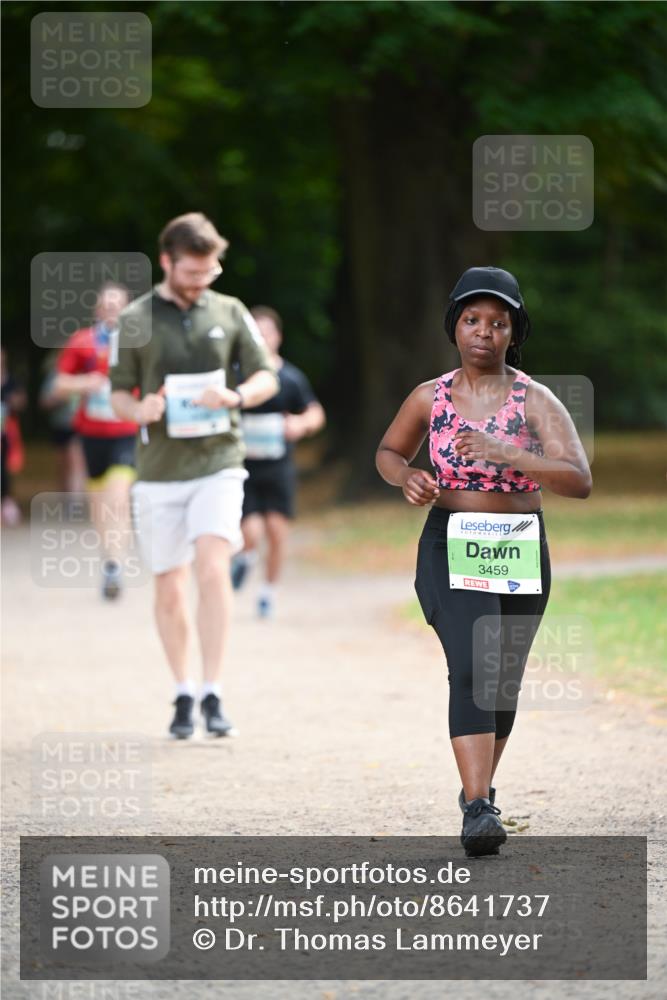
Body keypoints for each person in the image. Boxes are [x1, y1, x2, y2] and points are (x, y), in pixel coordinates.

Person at [376, 266, 591, 857]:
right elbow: (390, 451)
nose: (484, 332)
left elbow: (578, 480)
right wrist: (408, 478)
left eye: (498, 323)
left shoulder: (535, 400)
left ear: (514, 333)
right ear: (455, 327)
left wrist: (506, 450)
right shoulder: (430, 396)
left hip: (519, 541)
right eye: (472, 319)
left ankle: (481, 792)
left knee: (502, 679)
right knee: (473, 662)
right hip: (451, 538)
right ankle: (477, 808)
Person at [110, 212, 278, 740]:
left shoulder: (230, 311)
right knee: (169, 584)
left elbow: (265, 376)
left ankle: (213, 690)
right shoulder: (135, 319)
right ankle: (182, 690)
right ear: (167, 261)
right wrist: (140, 411)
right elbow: (117, 392)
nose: (201, 280)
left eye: (209, 271)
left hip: (219, 462)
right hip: (159, 470)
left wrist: (236, 396)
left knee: (212, 564)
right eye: (191, 272)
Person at [231, 306, 326, 618]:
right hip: (243, 467)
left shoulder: (290, 378)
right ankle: (245, 557)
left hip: (279, 466)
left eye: (266, 332)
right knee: (252, 532)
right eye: (254, 332)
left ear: (278, 338)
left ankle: (267, 593)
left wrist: (301, 425)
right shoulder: (236, 377)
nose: (260, 338)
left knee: (277, 531)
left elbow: (315, 412)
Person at [54, 282, 136, 598]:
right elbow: (59, 384)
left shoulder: (136, 344)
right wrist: (84, 382)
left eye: (118, 306)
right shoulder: (82, 342)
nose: (112, 311)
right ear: (98, 310)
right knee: (101, 505)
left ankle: (117, 563)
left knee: (119, 499)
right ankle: (110, 558)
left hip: (125, 434)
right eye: (107, 306)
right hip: (91, 435)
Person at [1, 348, 27, 527]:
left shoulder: (11, 379)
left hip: (7, 431)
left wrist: (13, 401)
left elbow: (21, 401)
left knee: (5, 466)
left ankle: (6, 501)